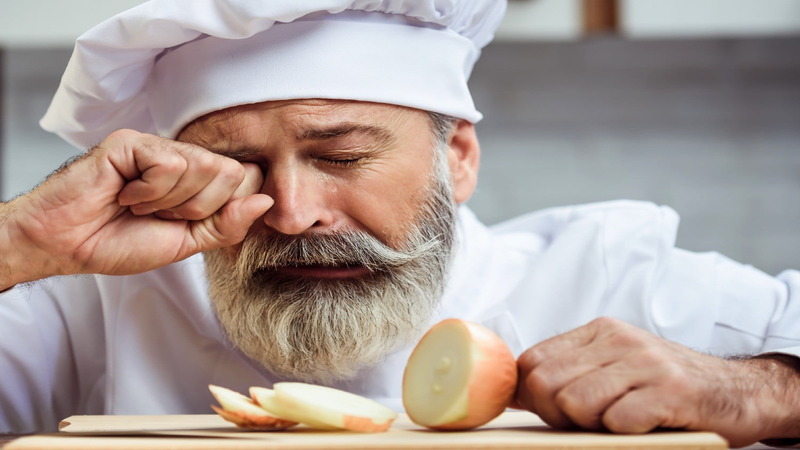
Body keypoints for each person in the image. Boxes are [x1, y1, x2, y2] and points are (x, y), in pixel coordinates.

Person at [1, 0, 798, 446]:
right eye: (239, 166)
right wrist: (19, 243)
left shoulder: (609, 279)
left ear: (458, 158)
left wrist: (747, 389)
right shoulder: (93, 305)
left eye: (342, 157)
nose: (294, 213)